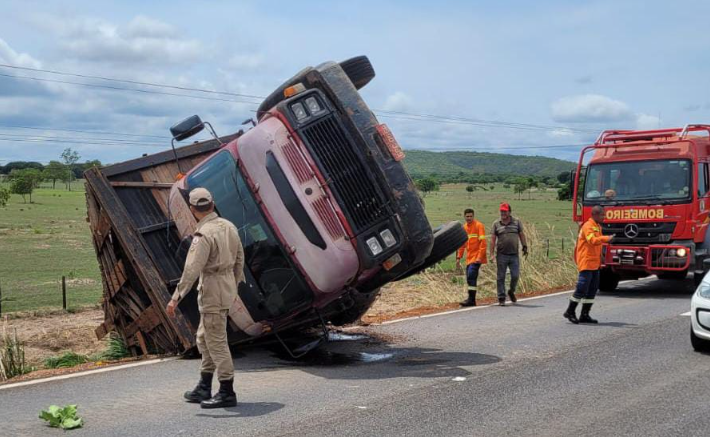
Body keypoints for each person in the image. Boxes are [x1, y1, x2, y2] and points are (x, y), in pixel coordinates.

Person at [166, 187, 244, 409]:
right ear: (212, 203)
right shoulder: (229, 226)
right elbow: (240, 260)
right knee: (204, 337)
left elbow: (191, 269)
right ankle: (204, 386)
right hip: (225, 287)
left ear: (192, 209)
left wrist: (175, 298)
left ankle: (227, 391)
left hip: (212, 289)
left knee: (216, 342)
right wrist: (232, 285)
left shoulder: (204, 234)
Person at [563, 205, 613, 324]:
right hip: (586, 262)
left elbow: (597, 244)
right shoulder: (588, 226)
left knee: (592, 289)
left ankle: (584, 314)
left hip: (594, 263)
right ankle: (570, 311)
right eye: (602, 215)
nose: (604, 217)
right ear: (595, 214)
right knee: (582, 288)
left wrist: (601, 257)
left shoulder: (597, 226)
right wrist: (607, 238)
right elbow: (592, 240)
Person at [490, 203, 527, 306]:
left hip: (514, 254)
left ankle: (511, 291)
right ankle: (501, 297)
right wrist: (491, 254)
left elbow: (521, 234)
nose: (503, 213)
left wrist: (525, 246)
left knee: (515, 275)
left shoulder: (516, 222)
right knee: (500, 277)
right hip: (501, 255)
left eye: (505, 211)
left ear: (509, 212)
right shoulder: (496, 224)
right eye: (501, 211)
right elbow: (492, 240)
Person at [456, 208, 487, 307]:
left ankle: (471, 300)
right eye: (467, 216)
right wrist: (458, 257)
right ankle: (471, 300)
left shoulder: (479, 226)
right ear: (464, 217)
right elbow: (462, 245)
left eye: (470, 216)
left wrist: (479, 257)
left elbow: (483, 243)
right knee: (469, 278)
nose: (469, 218)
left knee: (471, 276)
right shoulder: (464, 227)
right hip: (469, 258)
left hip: (477, 258)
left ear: (473, 216)